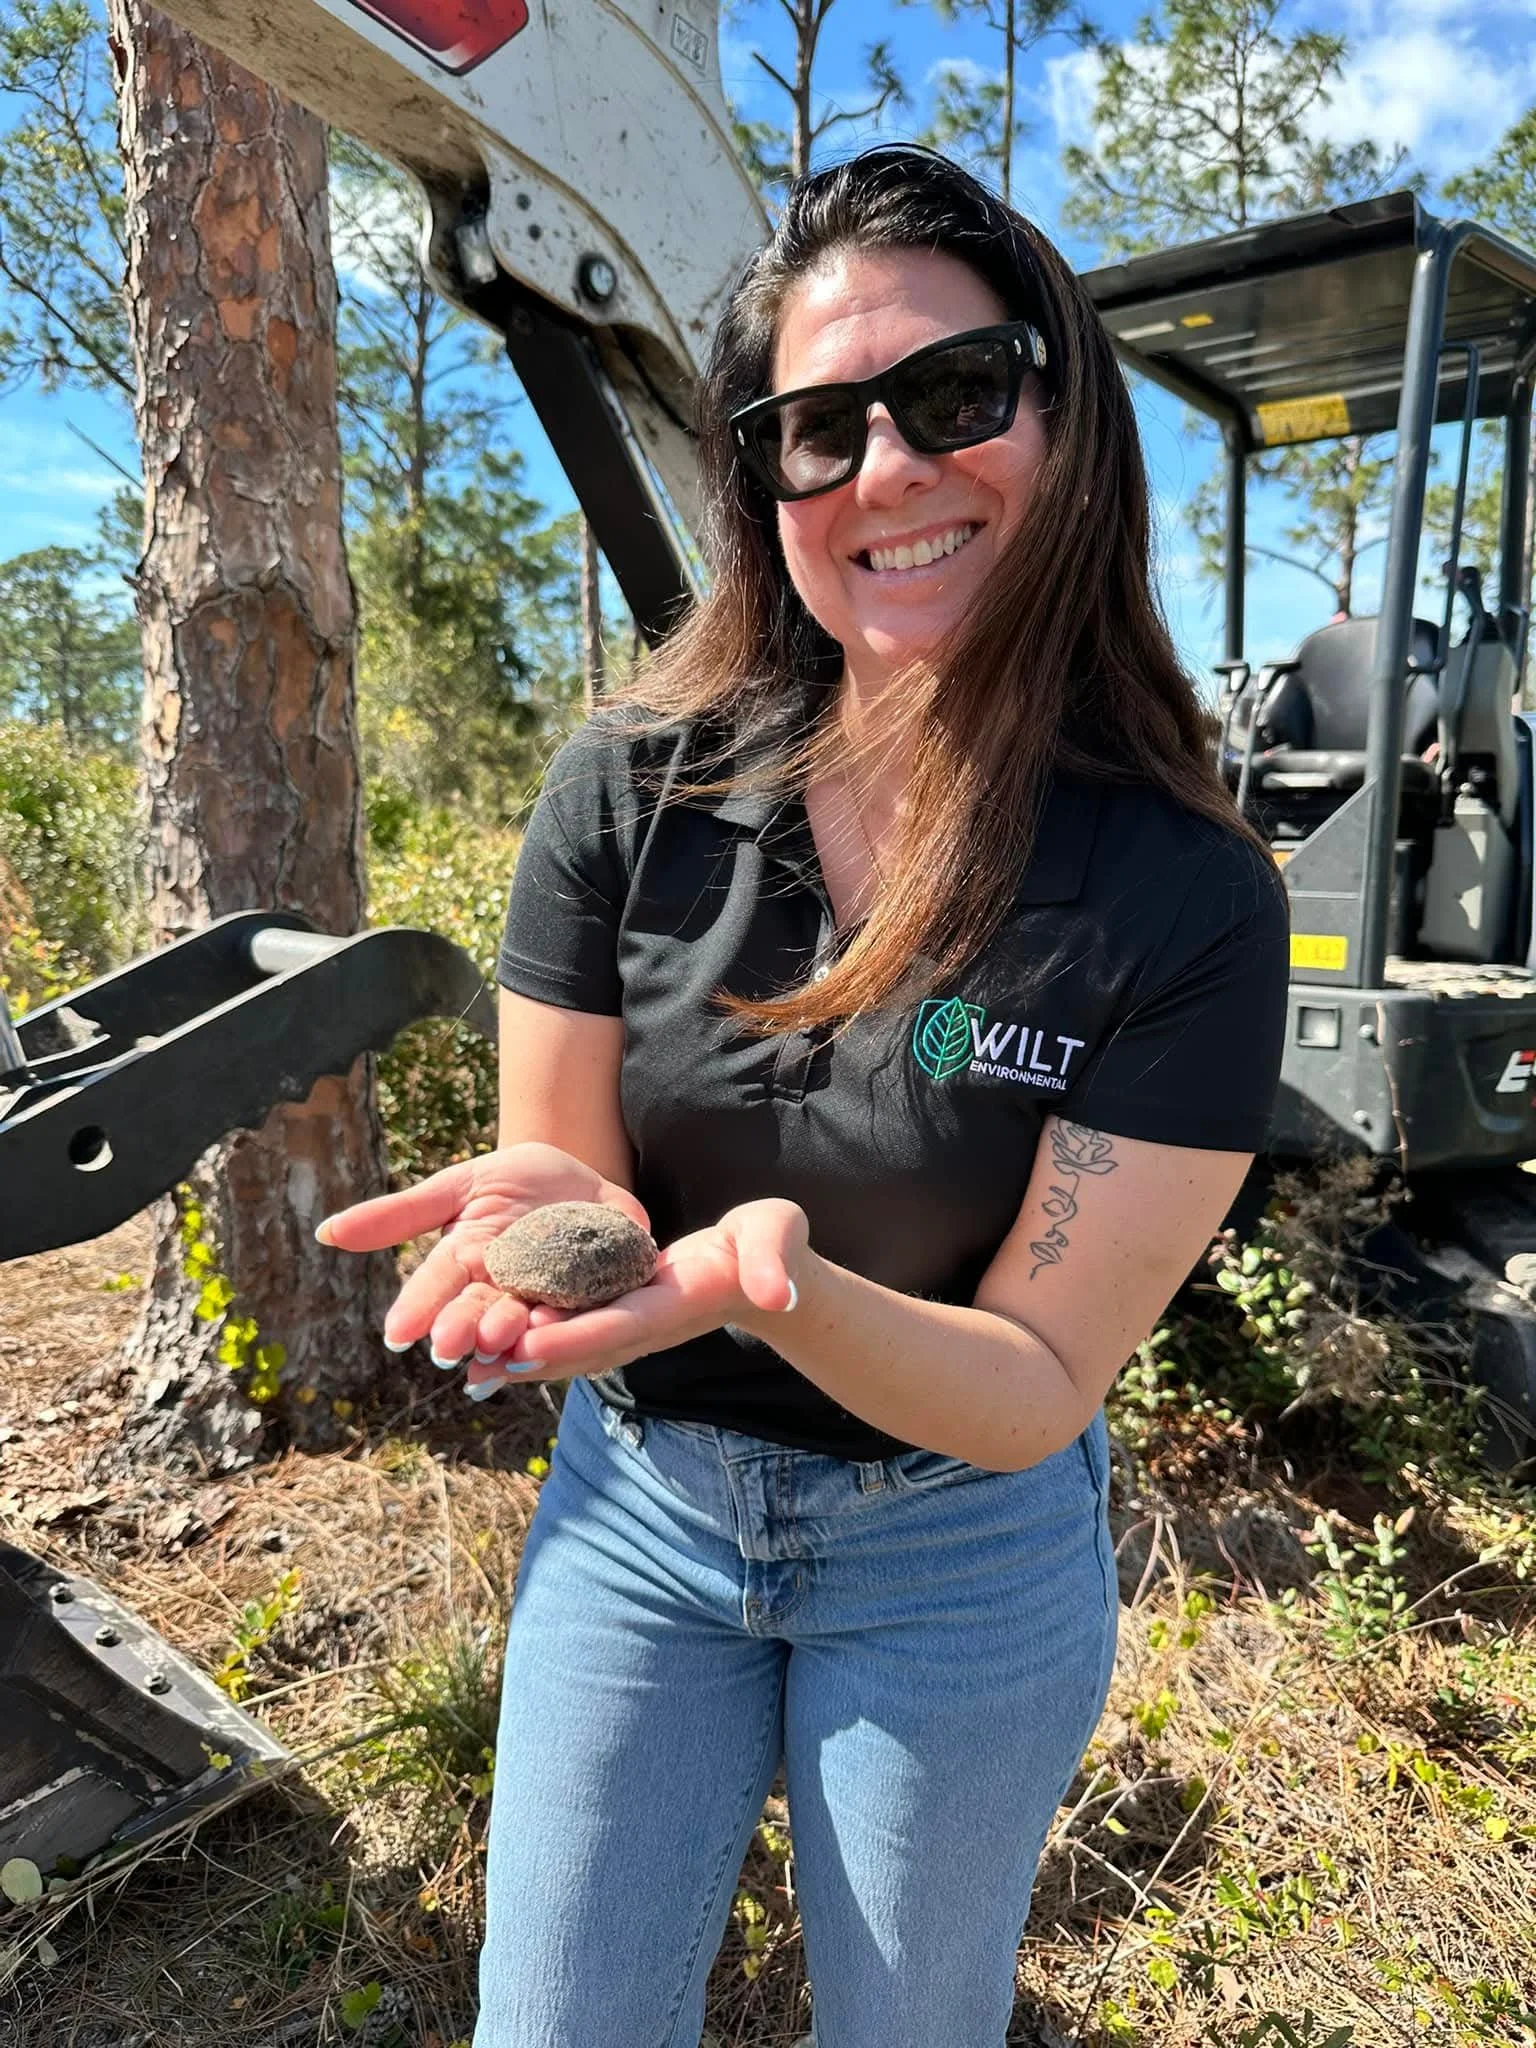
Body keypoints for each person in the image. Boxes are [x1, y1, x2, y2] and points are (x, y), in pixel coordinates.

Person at [318, 146, 1290, 2048]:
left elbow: (1027, 1386)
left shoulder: (1181, 897)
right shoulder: (629, 794)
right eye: (816, 430)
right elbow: (570, 1188)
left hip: (958, 1552)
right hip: (644, 1511)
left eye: (952, 396)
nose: (889, 471)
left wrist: (776, 1281)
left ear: (1062, 417)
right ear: (762, 486)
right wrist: (555, 1233)